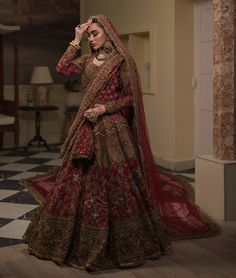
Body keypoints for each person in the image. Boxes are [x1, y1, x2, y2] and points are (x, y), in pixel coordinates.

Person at [23, 15, 220, 272]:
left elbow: (130, 97)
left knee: (118, 183)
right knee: (76, 180)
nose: (92, 39)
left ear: (108, 33)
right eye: (89, 35)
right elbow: (63, 67)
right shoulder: (87, 60)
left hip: (112, 128)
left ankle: (125, 243)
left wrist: (104, 107)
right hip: (87, 129)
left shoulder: (120, 62)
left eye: (95, 33)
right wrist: (76, 38)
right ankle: (69, 240)